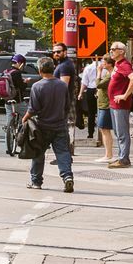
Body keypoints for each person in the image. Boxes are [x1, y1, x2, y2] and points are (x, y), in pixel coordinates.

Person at [26, 57, 75, 193]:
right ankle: (67, 177)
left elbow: (33, 109)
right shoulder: (62, 85)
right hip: (60, 125)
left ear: (40, 70)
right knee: (63, 152)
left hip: (42, 127)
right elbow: (66, 106)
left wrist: (24, 119)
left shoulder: (37, 86)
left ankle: (36, 182)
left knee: (38, 153)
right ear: (53, 69)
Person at [104, 42, 133, 168]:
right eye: (111, 49)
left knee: (122, 133)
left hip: (120, 104)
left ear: (121, 51)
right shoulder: (118, 64)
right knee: (118, 132)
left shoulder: (125, 65)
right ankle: (121, 156)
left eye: (113, 49)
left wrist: (125, 95)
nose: (111, 51)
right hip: (114, 104)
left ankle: (124, 159)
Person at [77, 53, 102, 145]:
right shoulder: (105, 67)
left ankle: (90, 133)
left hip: (91, 90)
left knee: (91, 113)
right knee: (102, 112)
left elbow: (84, 82)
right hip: (102, 90)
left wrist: (80, 93)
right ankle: (102, 133)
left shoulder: (88, 68)